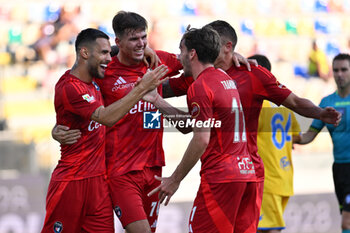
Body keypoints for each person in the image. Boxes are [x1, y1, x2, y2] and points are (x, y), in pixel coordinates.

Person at [51, 11, 256, 233]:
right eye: (134, 39)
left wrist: (232, 56)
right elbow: (77, 87)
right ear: (118, 42)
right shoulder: (106, 69)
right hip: (121, 171)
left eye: (143, 38)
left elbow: (197, 56)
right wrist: (57, 129)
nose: (140, 44)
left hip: (154, 169)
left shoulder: (158, 60)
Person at [165, 20, 341, 231]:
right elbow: (165, 90)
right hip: (241, 172)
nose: (209, 47)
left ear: (228, 47)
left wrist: (319, 113)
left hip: (235, 173)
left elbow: (293, 101)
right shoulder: (199, 76)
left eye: (215, 43)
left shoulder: (251, 74)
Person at [41, 28, 168, 233]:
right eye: (104, 54)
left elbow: (118, 51)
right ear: (84, 53)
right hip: (72, 181)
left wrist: (144, 49)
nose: (109, 59)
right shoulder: (70, 86)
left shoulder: (96, 82)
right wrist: (141, 89)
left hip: (99, 183)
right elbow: (107, 117)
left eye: (110, 53)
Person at [147, 25, 257, 233]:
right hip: (245, 173)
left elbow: (201, 139)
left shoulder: (200, 87)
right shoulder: (225, 79)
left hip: (221, 177)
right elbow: (194, 126)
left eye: (181, 51)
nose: (178, 58)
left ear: (192, 53)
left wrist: (174, 179)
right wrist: (157, 101)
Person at [296, 53, 350, 233]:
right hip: (340, 170)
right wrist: (291, 139)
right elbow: (309, 135)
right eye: (336, 70)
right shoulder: (327, 103)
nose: (339, 74)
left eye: (344, 69)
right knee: (346, 219)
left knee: (346, 222)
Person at [248, 54, 301, 233]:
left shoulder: (257, 107)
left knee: (265, 230)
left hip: (267, 180)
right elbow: (296, 139)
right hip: (285, 179)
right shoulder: (285, 108)